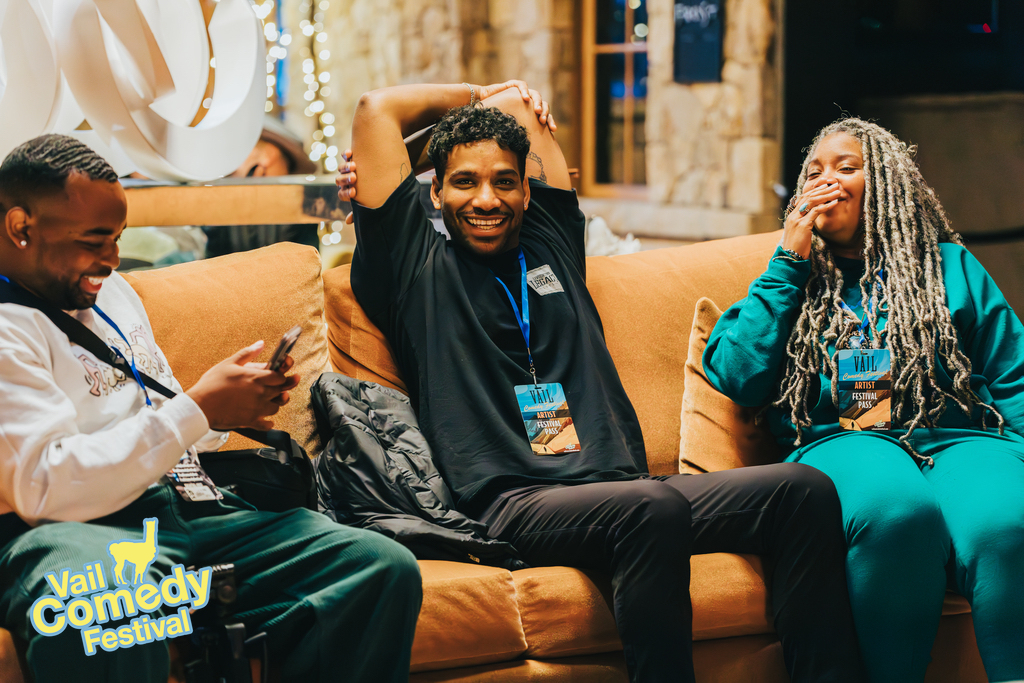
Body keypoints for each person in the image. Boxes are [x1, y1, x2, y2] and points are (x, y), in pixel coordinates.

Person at [338, 80, 867, 683]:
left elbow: (517, 110)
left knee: (802, 490)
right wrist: (474, 94)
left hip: (627, 490)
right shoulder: (413, 267)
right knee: (650, 508)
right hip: (514, 503)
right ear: (434, 189)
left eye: (504, 181)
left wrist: (499, 105)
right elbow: (374, 110)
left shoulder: (552, 246)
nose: (486, 198)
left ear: (526, 190)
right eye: (464, 181)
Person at [0, 134, 422, 683]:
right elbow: (44, 486)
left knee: (377, 568)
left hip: (185, 508)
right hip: (72, 530)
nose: (112, 258)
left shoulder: (110, 294)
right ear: (21, 228)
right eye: (94, 240)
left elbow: (166, 420)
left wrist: (226, 410)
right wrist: (199, 408)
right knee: (101, 607)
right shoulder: (9, 328)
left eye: (118, 238)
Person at [703, 118, 1024, 683]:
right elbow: (738, 374)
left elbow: (1013, 373)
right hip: (840, 443)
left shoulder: (950, 268)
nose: (827, 180)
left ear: (888, 186)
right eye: (814, 171)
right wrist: (788, 262)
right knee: (897, 512)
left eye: (847, 167)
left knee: (1006, 521)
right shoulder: (789, 278)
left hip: (958, 438)